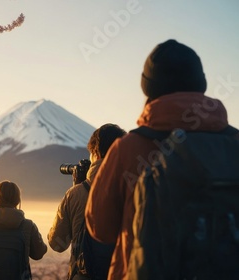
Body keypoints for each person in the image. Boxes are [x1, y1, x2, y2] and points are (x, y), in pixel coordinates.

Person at [85, 39, 237, 280]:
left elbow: (100, 229)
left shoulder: (126, 149)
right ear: (201, 84)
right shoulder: (233, 144)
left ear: (148, 88)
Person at [48, 123, 127, 280]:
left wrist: (78, 188)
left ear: (95, 154)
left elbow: (57, 244)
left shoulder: (75, 194)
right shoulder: (135, 187)